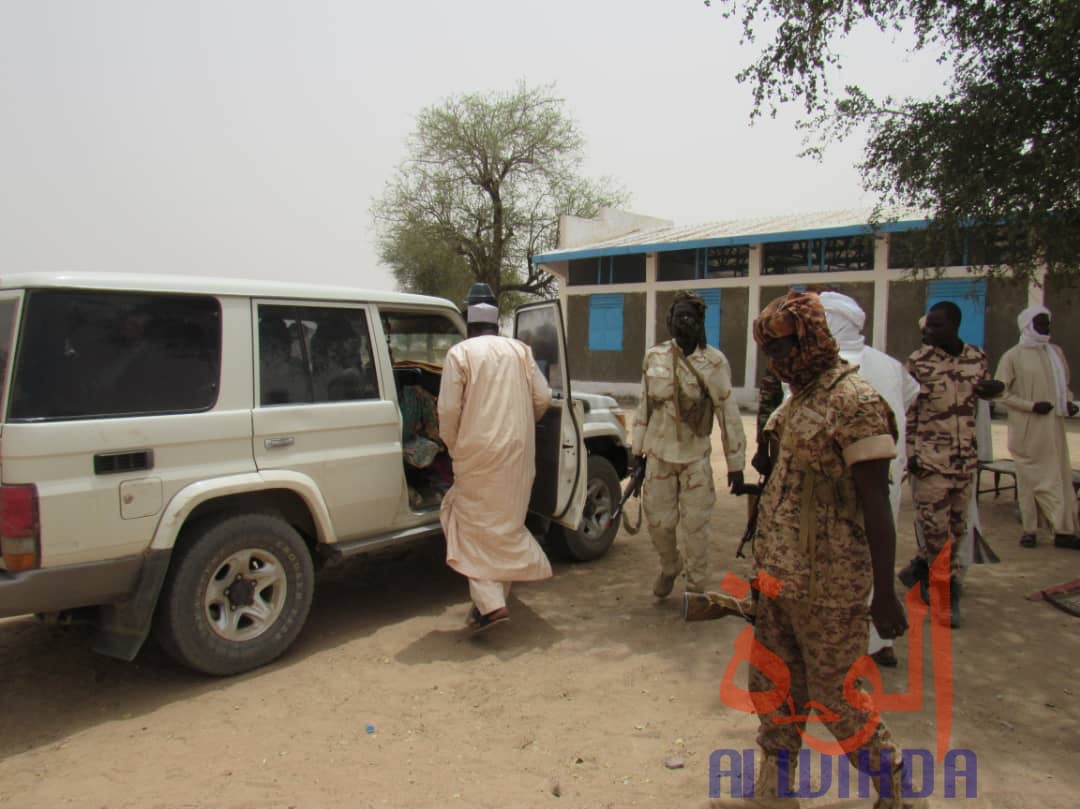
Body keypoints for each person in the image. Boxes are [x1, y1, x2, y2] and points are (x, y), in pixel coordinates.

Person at [701, 291, 922, 809]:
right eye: (769, 352)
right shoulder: (797, 402)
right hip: (780, 581)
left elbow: (877, 505)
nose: (776, 362)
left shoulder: (856, 402)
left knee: (837, 700)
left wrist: (885, 594)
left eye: (781, 349)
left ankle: (899, 792)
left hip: (829, 585)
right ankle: (774, 795)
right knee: (775, 693)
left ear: (813, 341)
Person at [436, 302, 554, 633]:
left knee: (466, 524)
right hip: (518, 453)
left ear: (469, 327)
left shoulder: (460, 353)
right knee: (506, 526)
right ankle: (491, 603)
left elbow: (447, 411)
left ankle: (491, 604)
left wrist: (453, 446)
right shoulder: (521, 351)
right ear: (496, 327)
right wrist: (523, 425)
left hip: (476, 452)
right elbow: (543, 397)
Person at [821, 291, 919, 669]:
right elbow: (910, 399)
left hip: (846, 481)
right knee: (874, 550)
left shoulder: (822, 368)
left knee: (845, 556)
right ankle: (875, 642)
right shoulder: (889, 365)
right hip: (885, 477)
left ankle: (864, 640)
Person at [630, 290, 746, 597]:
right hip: (658, 454)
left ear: (700, 323)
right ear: (668, 321)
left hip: (695, 458)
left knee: (695, 529)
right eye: (677, 315)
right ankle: (670, 566)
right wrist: (636, 452)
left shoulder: (714, 362)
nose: (682, 321)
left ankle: (695, 589)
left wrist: (736, 465)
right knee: (658, 524)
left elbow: (728, 412)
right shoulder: (654, 356)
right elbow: (644, 406)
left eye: (689, 317)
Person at [902, 301, 1002, 628]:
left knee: (958, 529)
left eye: (936, 326)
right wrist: (911, 456)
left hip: (964, 462)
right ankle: (947, 593)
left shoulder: (977, 358)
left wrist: (991, 391)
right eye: (928, 326)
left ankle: (921, 570)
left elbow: (982, 395)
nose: (928, 332)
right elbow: (909, 413)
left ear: (955, 326)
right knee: (935, 530)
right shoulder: (919, 363)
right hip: (930, 461)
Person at [994, 305, 1079, 549]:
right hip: (1027, 427)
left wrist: (1068, 402)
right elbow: (1000, 393)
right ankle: (1030, 529)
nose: (1045, 328)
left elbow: (1063, 386)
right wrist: (1031, 406)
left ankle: (1062, 529)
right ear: (1027, 325)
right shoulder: (1012, 356)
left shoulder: (1055, 352)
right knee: (1030, 478)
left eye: (1047, 323)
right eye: (1040, 323)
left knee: (1057, 476)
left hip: (1054, 425)